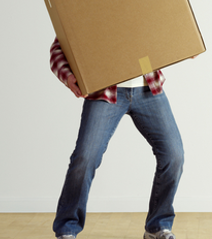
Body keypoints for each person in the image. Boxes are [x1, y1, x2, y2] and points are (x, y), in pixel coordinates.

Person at [50, 37, 184, 239]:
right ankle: (67, 229)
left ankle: (157, 226)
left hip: (147, 86)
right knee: (85, 158)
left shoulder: (146, 4)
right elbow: (59, 46)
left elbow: (166, 29)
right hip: (105, 89)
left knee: (174, 156)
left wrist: (184, 44)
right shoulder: (87, 6)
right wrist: (67, 75)